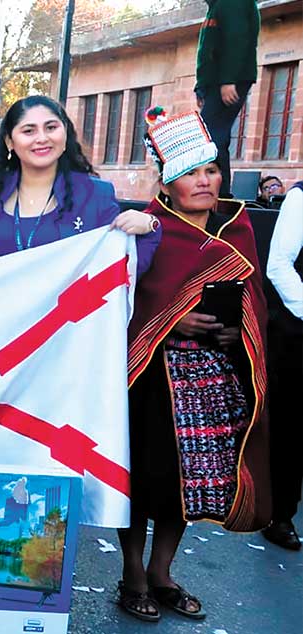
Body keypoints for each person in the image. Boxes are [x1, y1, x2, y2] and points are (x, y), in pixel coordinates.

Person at [120, 109, 271, 623]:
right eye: (190, 173)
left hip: (213, 378)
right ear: (167, 181)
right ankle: (132, 574)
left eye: (210, 169)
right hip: (152, 377)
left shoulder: (240, 224)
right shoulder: (147, 226)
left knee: (189, 484)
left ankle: (163, 572)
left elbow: (255, 297)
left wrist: (238, 329)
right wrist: (175, 320)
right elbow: (128, 297)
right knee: (145, 477)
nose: (204, 181)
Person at [0, 96, 160, 272]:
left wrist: (150, 227)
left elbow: (118, 268)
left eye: (51, 128)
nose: (42, 138)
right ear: (10, 141)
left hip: (66, 310)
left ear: (65, 135)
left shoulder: (96, 195)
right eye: (29, 130)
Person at [263, 180, 303, 550]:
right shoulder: (299, 197)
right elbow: (279, 266)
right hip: (296, 331)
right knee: (292, 429)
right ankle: (280, 515)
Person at [195, 0, 261, 197]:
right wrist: (202, 86)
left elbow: (236, 40)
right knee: (211, 137)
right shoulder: (216, 6)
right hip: (215, 83)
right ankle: (217, 194)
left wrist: (228, 80)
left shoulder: (232, 2)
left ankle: (219, 197)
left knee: (212, 138)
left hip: (229, 79)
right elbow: (208, 49)